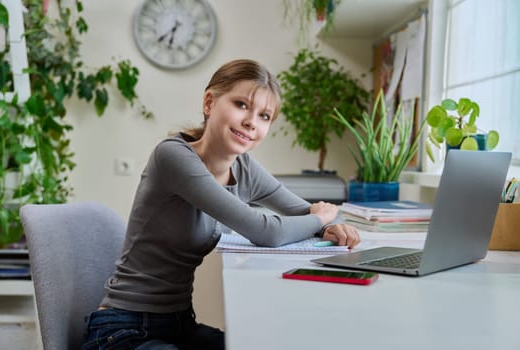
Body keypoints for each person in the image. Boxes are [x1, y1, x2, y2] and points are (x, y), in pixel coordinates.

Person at [81, 59, 360, 350]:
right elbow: (267, 231)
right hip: (122, 331)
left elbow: (304, 212)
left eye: (264, 116)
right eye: (241, 105)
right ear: (209, 102)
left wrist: (331, 227)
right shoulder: (173, 156)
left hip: (179, 326)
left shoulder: (245, 168)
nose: (252, 122)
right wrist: (320, 219)